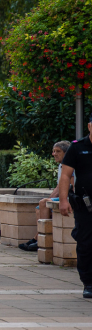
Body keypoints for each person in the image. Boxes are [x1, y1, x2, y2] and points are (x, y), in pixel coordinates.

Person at [56, 114, 92, 299]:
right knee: (86, 243)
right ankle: (88, 282)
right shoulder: (77, 148)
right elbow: (65, 176)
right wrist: (63, 200)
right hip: (86, 206)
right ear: (89, 126)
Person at [22, 141, 74, 251]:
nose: (54, 154)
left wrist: (51, 200)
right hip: (65, 196)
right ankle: (39, 238)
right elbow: (59, 186)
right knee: (40, 206)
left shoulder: (70, 166)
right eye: (53, 151)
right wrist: (50, 199)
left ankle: (40, 239)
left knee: (43, 203)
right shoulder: (61, 165)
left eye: (58, 151)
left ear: (66, 152)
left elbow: (72, 186)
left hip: (71, 198)